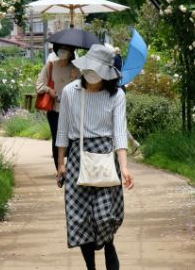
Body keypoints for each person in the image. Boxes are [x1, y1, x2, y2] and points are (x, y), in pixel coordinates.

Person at [55, 43, 134, 270]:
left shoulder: (117, 95)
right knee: (79, 218)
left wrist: (125, 167)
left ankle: (109, 245)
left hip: (106, 159)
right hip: (78, 158)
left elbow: (119, 133)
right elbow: (62, 130)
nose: (90, 73)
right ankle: (91, 267)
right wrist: (61, 163)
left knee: (106, 216)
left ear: (107, 73)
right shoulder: (71, 91)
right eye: (88, 67)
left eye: (96, 69)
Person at [35, 42, 81, 169]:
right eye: (61, 49)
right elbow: (39, 85)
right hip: (55, 110)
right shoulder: (50, 66)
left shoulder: (76, 69)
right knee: (57, 138)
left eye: (66, 49)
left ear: (71, 52)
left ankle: (70, 168)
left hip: (72, 110)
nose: (63, 51)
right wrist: (49, 90)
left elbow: (84, 88)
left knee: (72, 139)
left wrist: (75, 81)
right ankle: (59, 169)